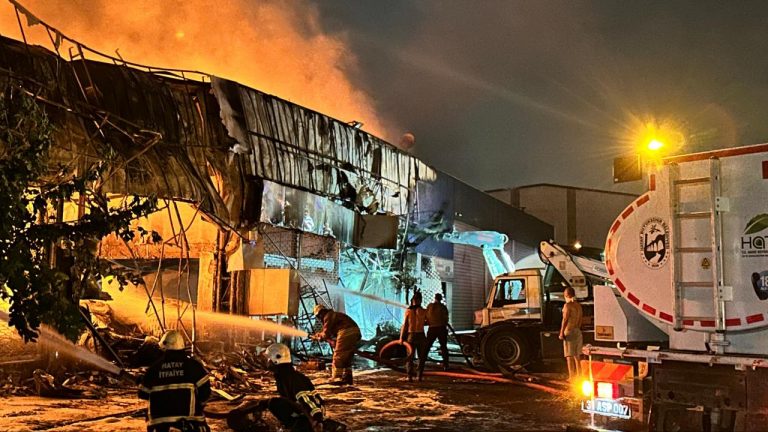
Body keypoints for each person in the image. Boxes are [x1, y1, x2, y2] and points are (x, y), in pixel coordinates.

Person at [138, 330, 211, 432]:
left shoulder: (154, 368)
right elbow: (206, 393)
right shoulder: (194, 366)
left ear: (164, 347)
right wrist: (199, 405)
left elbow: (142, 394)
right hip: (190, 421)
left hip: (159, 423)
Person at [312, 305, 362, 385]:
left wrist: (319, 336)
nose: (319, 318)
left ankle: (336, 378)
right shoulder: (334, 315)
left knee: (338, 356)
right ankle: (347, 377)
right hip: (354, 332)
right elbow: (331, 335)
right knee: (346, 357)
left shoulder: (328, 316)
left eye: (318, 315)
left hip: (346, 332)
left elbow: (326, 334)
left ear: (322, 312)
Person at [400, 291, 428, 381]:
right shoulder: (424, 311)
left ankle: (410, 376)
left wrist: (401, 337)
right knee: (420, 357)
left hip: (411, 335)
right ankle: (418, 376)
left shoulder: (408, 311)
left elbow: (405, 325)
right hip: (420, 334)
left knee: (410, 357)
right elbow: (428, 322)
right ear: (420, 301)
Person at [559, 287, 583, 382]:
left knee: (569, 356)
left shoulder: (567, 306)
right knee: (577, 355)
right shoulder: (578, 306)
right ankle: (579, 376)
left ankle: (572, 377)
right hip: (577, 330)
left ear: (566, 295)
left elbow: (565, 319)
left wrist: (561, 332)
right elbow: (581, 319)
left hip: (569, 331)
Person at [425, 292, 450, 371]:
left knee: (427, 346)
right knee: (443, 347)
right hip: (441, 328)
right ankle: (445, 365)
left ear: (435, 298)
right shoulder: (443, 307)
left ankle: (422, 362)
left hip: (432, 328)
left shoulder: (430, 306)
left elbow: (426, 316)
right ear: (441, 299)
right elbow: (446, 318)